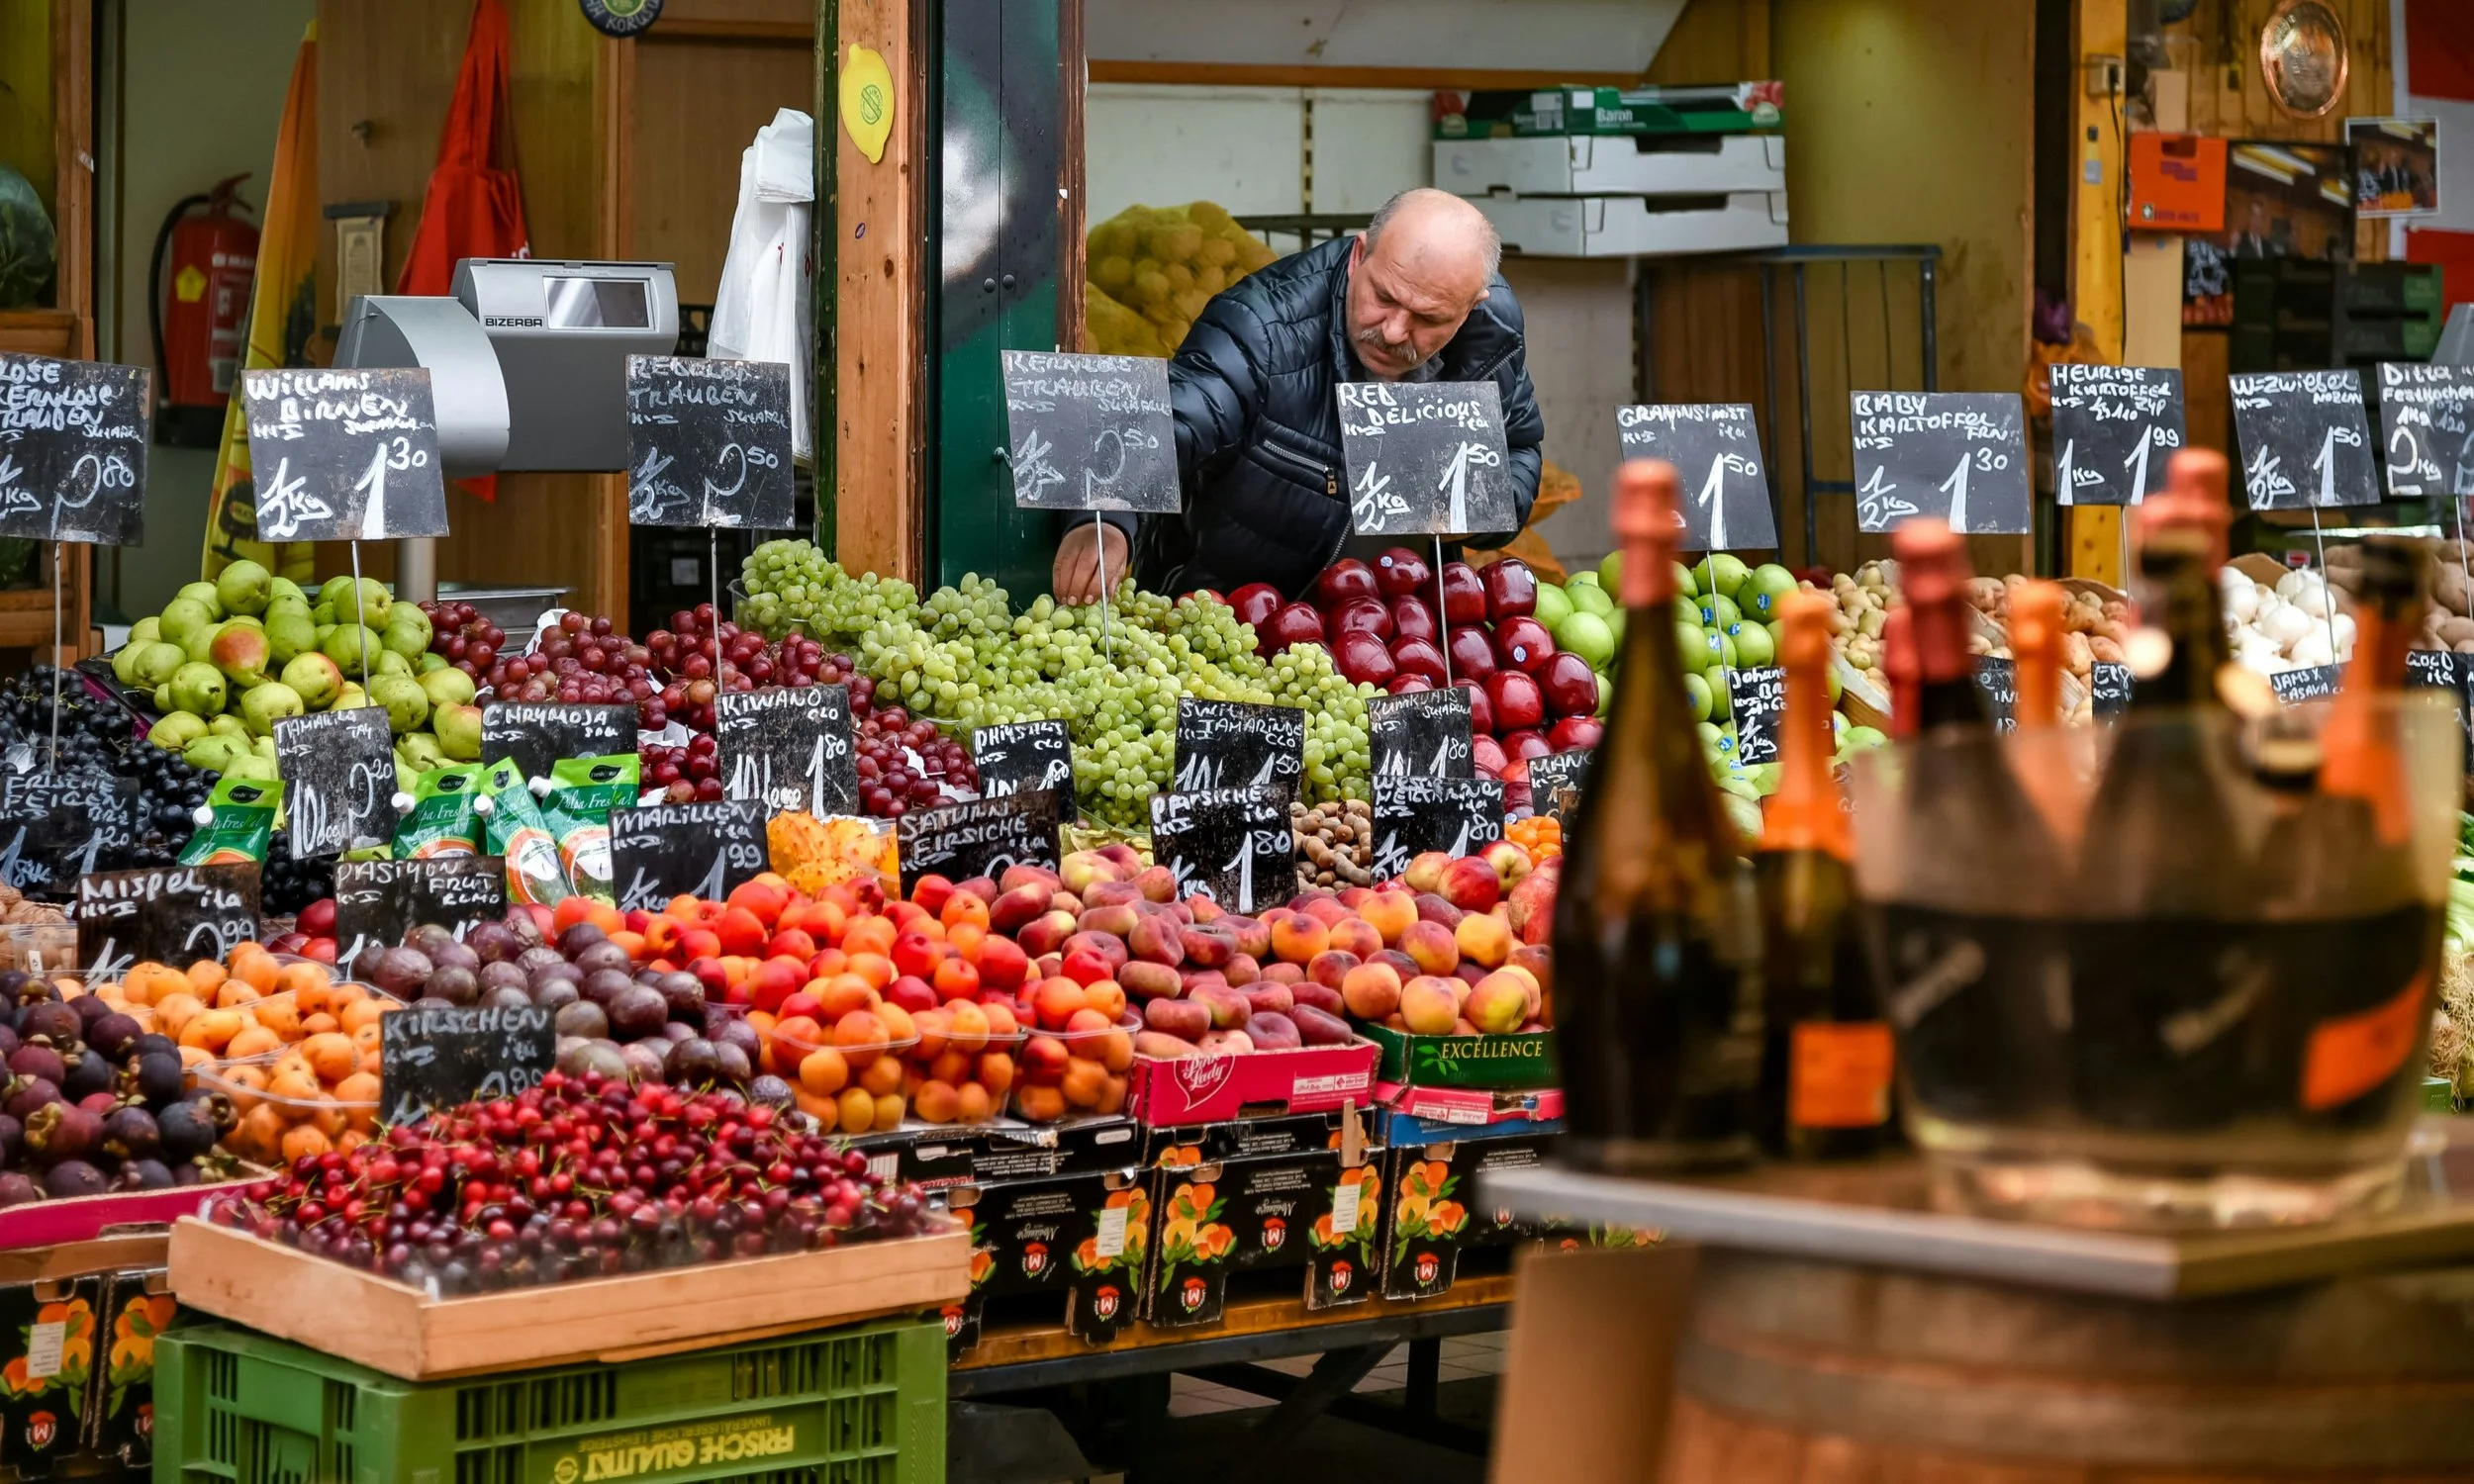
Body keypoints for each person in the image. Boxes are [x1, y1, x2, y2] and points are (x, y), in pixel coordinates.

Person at [1051, 187, 1544, 602]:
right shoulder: (1263, 325)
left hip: (1394, 633)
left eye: (1429, 319)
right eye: (1384, 298)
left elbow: (1518, 448)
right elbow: (1169, 420)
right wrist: (1107, 517)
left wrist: (1477, 513)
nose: (1394, 331)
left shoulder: (1491, 330)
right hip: (1245, 620)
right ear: (1359, 256)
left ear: (1470, 306)